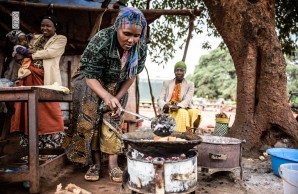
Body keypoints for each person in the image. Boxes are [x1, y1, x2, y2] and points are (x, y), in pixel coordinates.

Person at [62, 7, 147, 183]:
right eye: (127, 34)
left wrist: (117, 96)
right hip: (90, 83)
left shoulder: (141, 47)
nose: (132, 40)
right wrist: (106, 96)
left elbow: (131, 76)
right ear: (117, 27)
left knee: (113, 120)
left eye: (136, 35)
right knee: (91, 121)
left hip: (117, 85)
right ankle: (95, 164)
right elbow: (90, 76)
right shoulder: (102, 40)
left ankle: (113, 166)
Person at [10, 15, 67, 149]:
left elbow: (49, 53)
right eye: (43, 25)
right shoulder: (35, 38)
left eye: (48, 25)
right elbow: (18, 50)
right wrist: (21, 49)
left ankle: (51, 144)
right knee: (28, 109)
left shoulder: (60, 39)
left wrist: (26, 52)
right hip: (29, 75)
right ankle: (30, 145)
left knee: (49, 109)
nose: (44, 28)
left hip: (46, 79)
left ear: (55, 27)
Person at [157, 61, 202, 133]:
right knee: (182, 112)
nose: (179, 72)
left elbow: (188, 99)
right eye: (177, 70)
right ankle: (179, 134)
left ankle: (191, 133)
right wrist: (165, 105)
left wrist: (179, 106)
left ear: (185, 72)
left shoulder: (190, 84)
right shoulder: (167, 83)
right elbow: (160, 98)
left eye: (181, 70)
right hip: (169, 108)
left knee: (196, 112)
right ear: (174, 71)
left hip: (184, 106)